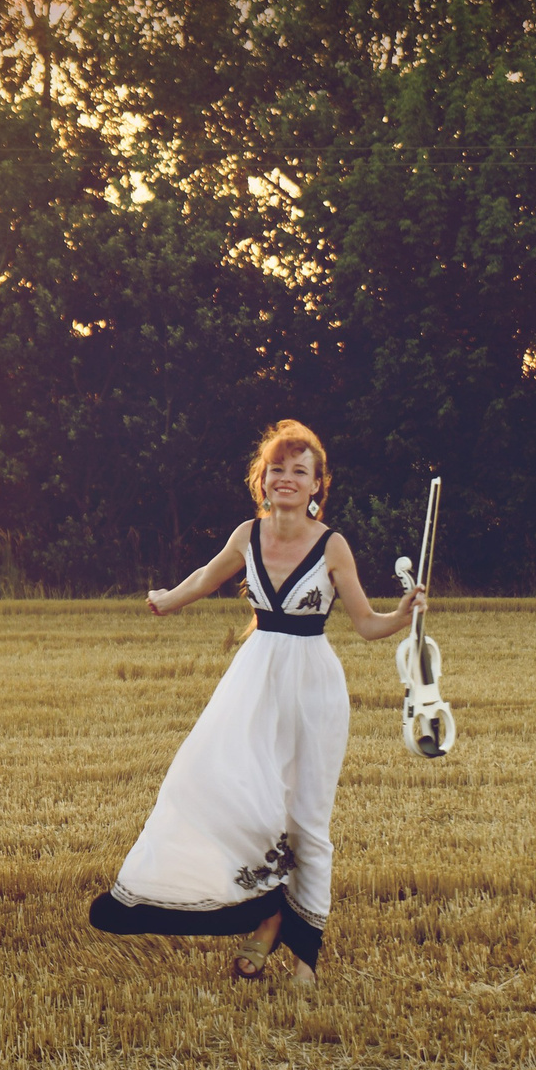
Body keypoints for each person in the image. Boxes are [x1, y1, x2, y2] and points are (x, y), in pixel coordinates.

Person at [86, 420, 423, 985]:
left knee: (307, 820)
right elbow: (206, 576)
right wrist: (168, 600)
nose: (287, 479)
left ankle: (304, 958)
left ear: (318, 485)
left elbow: (366, 623)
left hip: (313, 688)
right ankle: (264, 914)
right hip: (253, 682)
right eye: (277, 470)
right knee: (225, 789)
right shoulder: (248, 535)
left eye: (300, 471)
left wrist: (403, 614)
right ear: (261, 480)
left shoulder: (333, 544)